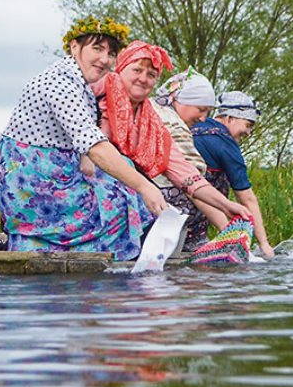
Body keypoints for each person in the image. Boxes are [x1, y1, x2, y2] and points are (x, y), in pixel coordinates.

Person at [0, 16, 169, 261]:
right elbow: (95, 145)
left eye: (110, 53)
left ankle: (125, 261)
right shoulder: (60, 84)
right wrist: (144, 186)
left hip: (52, 171)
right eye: (97, 48)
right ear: (75, 46)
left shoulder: (78, 82)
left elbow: (83, 140)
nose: (104, 59)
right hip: (32, 184)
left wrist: (89, 160)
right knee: (121, 197)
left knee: (122, 177)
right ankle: (108, 271)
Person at [89, 41, 249, 224]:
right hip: (78, 176)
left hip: (118, 190)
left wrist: (226, 205)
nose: (143, 79)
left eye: (151, 75)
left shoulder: (150, 121)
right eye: (137, 70)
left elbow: (183, 172)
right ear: (121, 68)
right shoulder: (97, 89)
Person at [192, 91, 274, 258]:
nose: (248, 132)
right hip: (189, 208)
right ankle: (195, 239)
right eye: (248, 125)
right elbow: (247, 199)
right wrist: (264, 244)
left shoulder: (194, 125)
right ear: (229, 118)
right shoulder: (225, 145)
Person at [151, 68, 221, 251]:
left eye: (208, 112)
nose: (203, 118)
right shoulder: (173, 124)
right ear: (180, 100)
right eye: (201, 109)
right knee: (208, 186)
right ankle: (192, 242)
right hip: (160, 202)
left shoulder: (154, 108)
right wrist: (227, 227)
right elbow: (191, 180)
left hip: (147, 192)